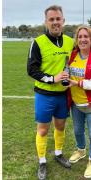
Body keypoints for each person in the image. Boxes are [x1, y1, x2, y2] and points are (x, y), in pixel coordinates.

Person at [27, 5, 74, 180]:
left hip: (63, 95)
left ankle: (58, 153)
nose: (55, 22)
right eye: (51, 19)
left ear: (63, 21)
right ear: (46, 22)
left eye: (58, 19)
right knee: (43, 130)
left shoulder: (70, 42)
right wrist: (52, 78)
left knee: (61, 126)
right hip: (44, 95)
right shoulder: (38, 42)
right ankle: (42, 161)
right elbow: (31, 70)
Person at [67, 26, 91, 178]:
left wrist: (78, 84)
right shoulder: (73, 55)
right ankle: (81, 150)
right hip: (76, 104)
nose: (83, 39)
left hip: (90, 105)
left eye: (86, 36)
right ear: (76, 39)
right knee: (77, 131)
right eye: (80, 36)